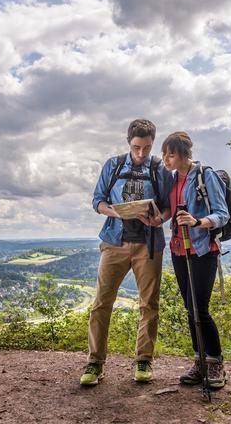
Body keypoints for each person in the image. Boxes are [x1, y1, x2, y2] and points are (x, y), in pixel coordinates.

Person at [80, 119, 172, 385]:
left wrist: (159, 219)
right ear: (128, 142)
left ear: (153, 143)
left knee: (149, 305)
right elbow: (98, 200)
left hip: (149, 244)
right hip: (114, 241)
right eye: (136, 147)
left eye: (146, 147)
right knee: (101, 304)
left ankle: (144, 361)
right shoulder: (114, 165)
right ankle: (94, 363)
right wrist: (116, 212)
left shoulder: (158, 168)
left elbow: (167, 207)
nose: (141, 153)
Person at [161, 131, 229, 388]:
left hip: (202, 250)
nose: (166, 159)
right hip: (179, 250)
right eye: (164, 154)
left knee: (200, 308)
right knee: (191, 309)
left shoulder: (205, 176)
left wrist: (198, 221)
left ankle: (215, 363)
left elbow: (222, 213)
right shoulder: (171, 180)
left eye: (171, 154)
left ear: (184, 154)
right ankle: (200, 361)